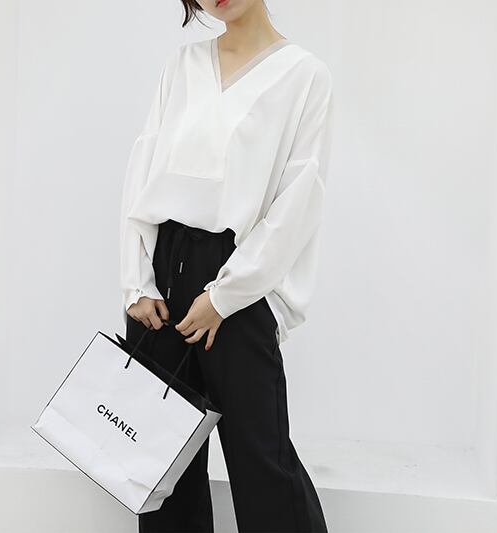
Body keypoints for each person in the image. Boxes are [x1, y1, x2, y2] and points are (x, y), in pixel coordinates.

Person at [118, 1, 334, 531]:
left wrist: (224, 296)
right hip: (162, 276)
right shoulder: (183, 65)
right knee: (164, 466)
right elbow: (143, 168)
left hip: (238, 276)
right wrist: (136, 282)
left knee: (262, 460)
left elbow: (297, 201)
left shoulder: (304, 75)